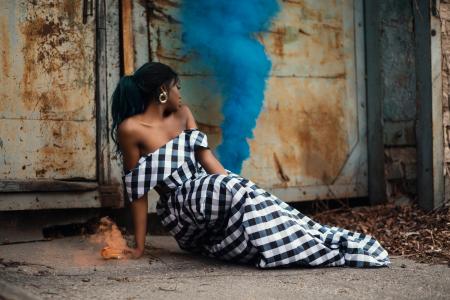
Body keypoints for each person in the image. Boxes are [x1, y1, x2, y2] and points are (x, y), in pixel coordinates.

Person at [111, 62, 390, 268]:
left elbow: (207, 160)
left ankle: (315, 243)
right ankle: (292, 247)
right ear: (162, 91)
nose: (180, 93)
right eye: (176, 87)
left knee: (252, 196)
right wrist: (139, 246)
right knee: (233, 189)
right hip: (181, 207)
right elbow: (137, 192)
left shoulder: (183, 114)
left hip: (210, 190)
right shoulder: (131, 129)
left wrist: (239, 187)